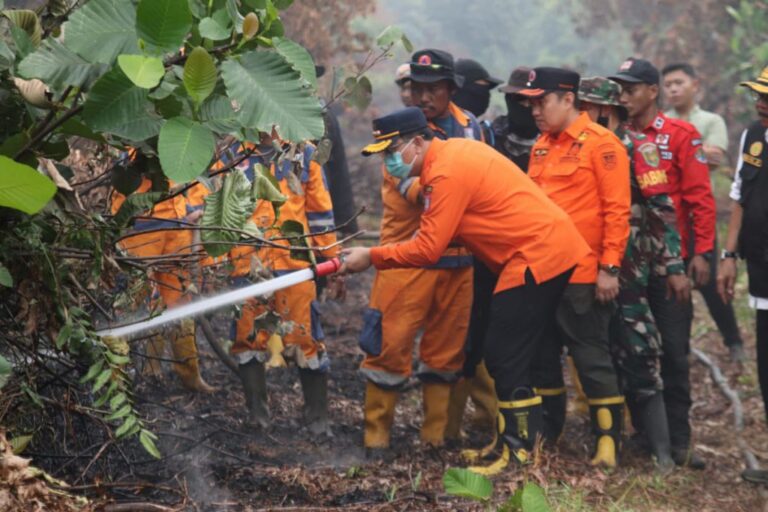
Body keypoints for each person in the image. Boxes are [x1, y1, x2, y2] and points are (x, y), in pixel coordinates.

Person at [343, 107, 591, 476]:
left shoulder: (446, 171)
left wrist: (372, 256)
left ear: (416, 142)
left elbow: (428, 248)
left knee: (505, 356)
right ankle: (509, 445)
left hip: (537, 254)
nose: (388, 161)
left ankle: (519, 453)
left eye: (391, 151)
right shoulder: (450, 158)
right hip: (533, 253)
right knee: (509, 355)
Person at [358, 49, 481, 456]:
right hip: (406, 254)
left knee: (446, 352)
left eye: (434, 89)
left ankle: (436, 436)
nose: (424, 97)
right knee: (389, 346)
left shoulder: (472, 129)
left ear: (451, 88)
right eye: (418, 88)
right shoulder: (398, 129)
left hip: (458, 257)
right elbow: (407, 189)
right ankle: (376, 436)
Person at [518, 67, 630, 468]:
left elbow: (617, 212)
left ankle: (607, 443)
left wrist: (610, 268)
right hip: (542, 272)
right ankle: (550, 436)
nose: (534, 109)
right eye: (530, 102)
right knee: (543, 357)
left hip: (584, 274)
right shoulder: (541, 146)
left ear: (568, 99)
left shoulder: (603, 145)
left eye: (541, 100)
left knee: (591, 358)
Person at [610, 57, 716, 469]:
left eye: (631, 89)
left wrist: (700, 254)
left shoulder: (680, 135)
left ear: (652, 91)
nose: (624, 97)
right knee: (631, 348)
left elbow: (698, 200)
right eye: (620, 89)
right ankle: (643, 434)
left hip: (670, 263)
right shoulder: (613, 137)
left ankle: (680, 439)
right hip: (627, 264)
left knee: (673, 350)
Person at [579, 77, 689, 472]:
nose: (580, 114)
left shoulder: (638, 148)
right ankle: (611, 440)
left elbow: (661, 210)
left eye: (586, 107)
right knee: (597, 352)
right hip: (583, 267)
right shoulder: (577, 146)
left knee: (640, 350)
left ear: (606, 110)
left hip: (630, 270)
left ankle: (663, 450)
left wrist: (673, 265)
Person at [218, 134, 338, 434]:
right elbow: (215, 208)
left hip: (293, 264)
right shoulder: (230, 153)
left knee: (305, 338)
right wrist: (216, 261)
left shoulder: (305, 154)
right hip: (246, 264)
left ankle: (317, 420)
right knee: (247, 337)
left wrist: (330, 258)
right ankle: (257, 417)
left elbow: (320, 209)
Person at [662, 62, 745, 361]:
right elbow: (700, 155)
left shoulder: (712, 120)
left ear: (695, 84)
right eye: (667, 84)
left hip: (701, 212)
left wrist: (678, 149)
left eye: (679, 82)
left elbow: (715, 157)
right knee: (676, 284)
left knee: (710, 285)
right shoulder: (660, 121)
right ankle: (680, 350)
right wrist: (695, 150)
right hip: (671, 217)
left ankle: (734, 342)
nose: (672, 88)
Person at [111, 160, 214, 394]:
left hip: (177, 228)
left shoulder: (181, 146)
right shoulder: (135, 148)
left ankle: (189, 375)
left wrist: (194, 211)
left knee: (181, 302)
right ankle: (116, 383)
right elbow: (121, 193)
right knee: (131, 305)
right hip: (142, 232)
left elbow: (196, 181)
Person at [446, 57, 503, 445]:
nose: (484, 99)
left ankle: (483, 416)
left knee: (479, 334)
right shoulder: (432, 129)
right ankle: (445, 427)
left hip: (482, 252)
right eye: (481, 89)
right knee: (450, 343)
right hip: (440, 252)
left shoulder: (481, 129)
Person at [718, 67, 768, 486]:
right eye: (758, 95)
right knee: (766, 367)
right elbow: (739, 198)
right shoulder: (754, 136)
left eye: (767, 97)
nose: (761, 103)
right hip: (763, 271)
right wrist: (729, 254)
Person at [491, 66, 540, 171]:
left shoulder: (552, 140)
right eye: (520, 98)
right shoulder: (490, 136)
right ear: (508, 99)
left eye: (532, 100)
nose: (526, 105)